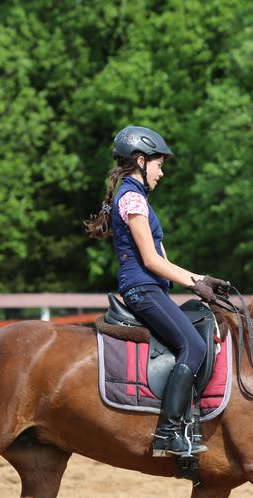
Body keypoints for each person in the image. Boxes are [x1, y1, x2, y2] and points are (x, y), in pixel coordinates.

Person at [85, 125, 229, 458]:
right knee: (192, 346)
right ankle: (167, 433)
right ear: (140, 161)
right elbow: (151, 260)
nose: (161, 172)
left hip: (152, 288)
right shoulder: (133, 199)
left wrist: (201, 278)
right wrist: (195, 284)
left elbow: (164, 260)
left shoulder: (138, 199)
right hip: (142, 289)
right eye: (159, 164)